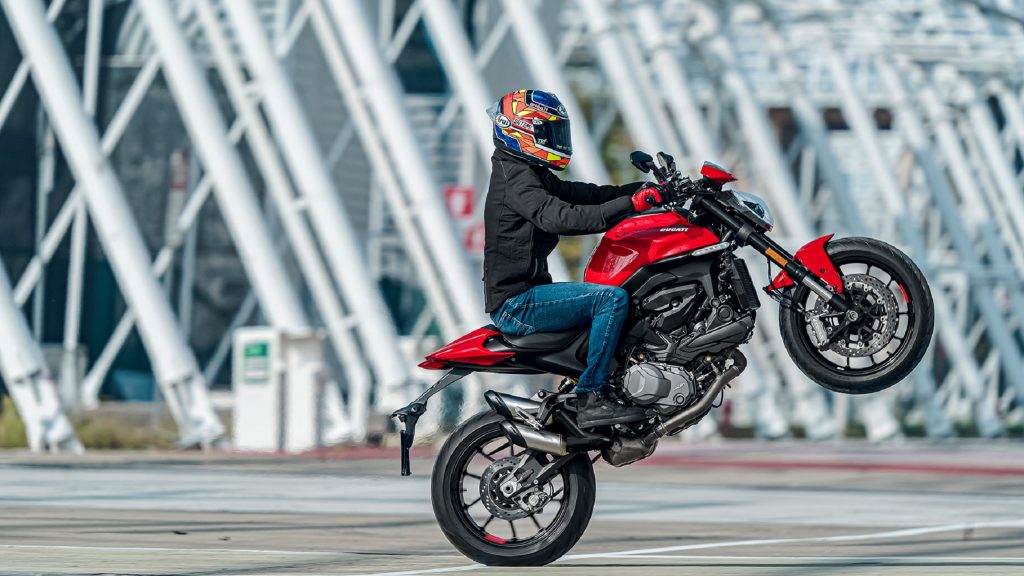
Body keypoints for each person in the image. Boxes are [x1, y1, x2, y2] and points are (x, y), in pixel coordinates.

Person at [483, 89, 673, 428]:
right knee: (611, 300)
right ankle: (590, 397)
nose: (556, 139)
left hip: (528, 295)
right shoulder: (516, 179)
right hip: (517, 305)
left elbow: (586, 195)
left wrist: (640, 191)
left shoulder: (528, 172)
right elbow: (561, 217)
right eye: (548, 132)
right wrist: (633, 205)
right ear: (522, 132)